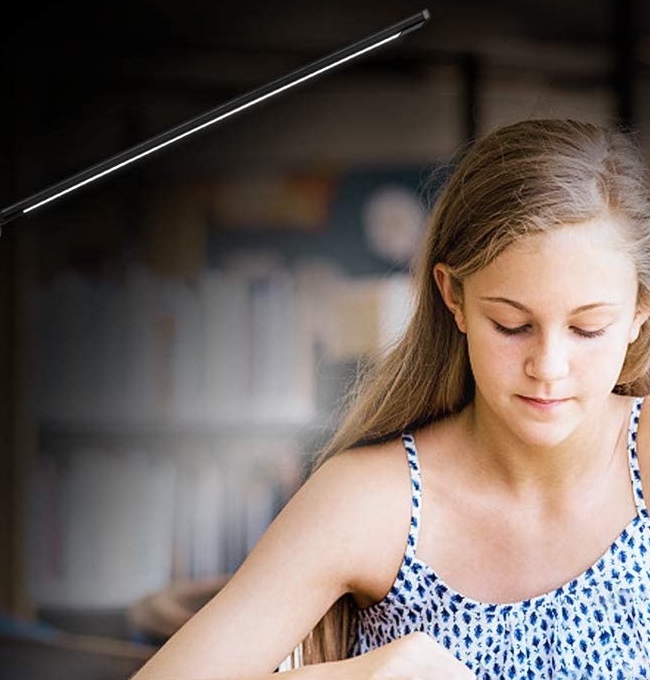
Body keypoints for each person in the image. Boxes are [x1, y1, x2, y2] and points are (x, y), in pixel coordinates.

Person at [130, 118, 650, 680]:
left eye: (589, 328)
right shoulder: (375, 501)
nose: (548, 367)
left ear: (639, 312)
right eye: (510, 324)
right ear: (453, 296)